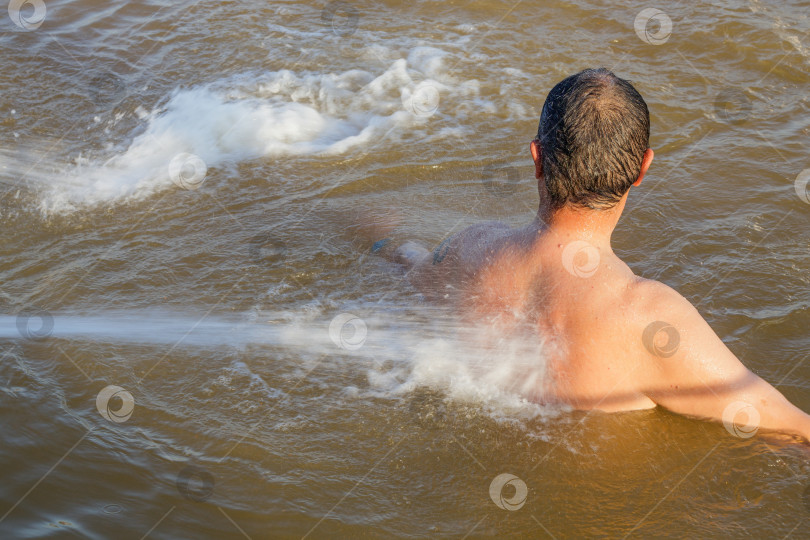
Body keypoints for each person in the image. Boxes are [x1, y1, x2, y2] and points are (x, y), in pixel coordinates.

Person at [372, 67, 810, 441]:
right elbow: (791, 428)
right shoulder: (649, 318)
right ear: (642, 169)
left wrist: (379, 241)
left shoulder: (470, 248)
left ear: (537, 159)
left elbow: (412, 269)